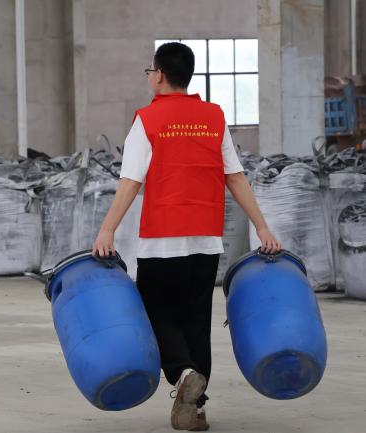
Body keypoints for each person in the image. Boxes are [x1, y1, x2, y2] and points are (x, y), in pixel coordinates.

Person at [91, 42, 282, 431]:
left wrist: (107, 229)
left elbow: (130, 181)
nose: (150, 77)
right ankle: (194, 410)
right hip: (206, 242)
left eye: (150, 71)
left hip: (162, 241)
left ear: (160, 75)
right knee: (196, 324)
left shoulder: (147, 120)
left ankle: (182, 373)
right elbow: (235, 176)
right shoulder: (213, 117)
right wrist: (261, 227)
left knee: (157, 314)